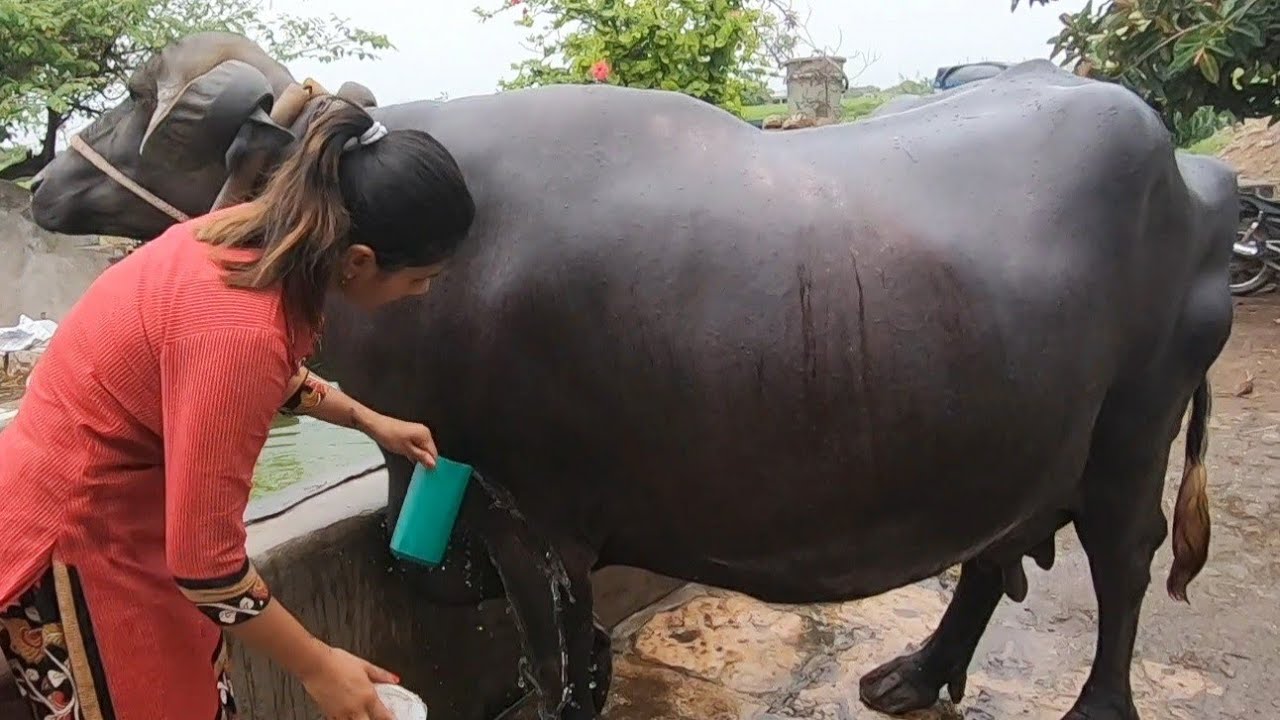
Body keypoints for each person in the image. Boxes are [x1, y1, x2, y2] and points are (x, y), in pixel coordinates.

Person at [0, 98, 476, 720]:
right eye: (421, 278)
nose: (425, 291)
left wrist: (366, 419)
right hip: (76, 536)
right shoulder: (239, 330)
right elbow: (206, 567)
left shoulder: (253, 238)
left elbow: (250, 374)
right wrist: (318, 665)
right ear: (360, 261)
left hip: (127, 510)